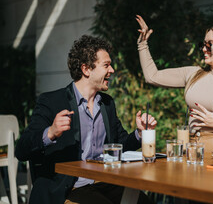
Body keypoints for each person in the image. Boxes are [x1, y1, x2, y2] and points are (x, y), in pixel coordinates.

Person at [15, 35, 157, 204]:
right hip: (68, 188)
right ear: (86, 69)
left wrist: (139, 133)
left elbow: (120, 146)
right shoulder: (51, 101)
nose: (112, 70)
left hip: (105, 183)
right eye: (106, 65)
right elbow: (21, 150)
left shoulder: (107, 104)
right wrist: (50, 133)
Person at [136, 15, 213, 155]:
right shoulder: (193, 74)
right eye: (203, 44)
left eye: (209, 45)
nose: (204, 49)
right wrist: (142, 44)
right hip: (190, 151)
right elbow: (152, 77)